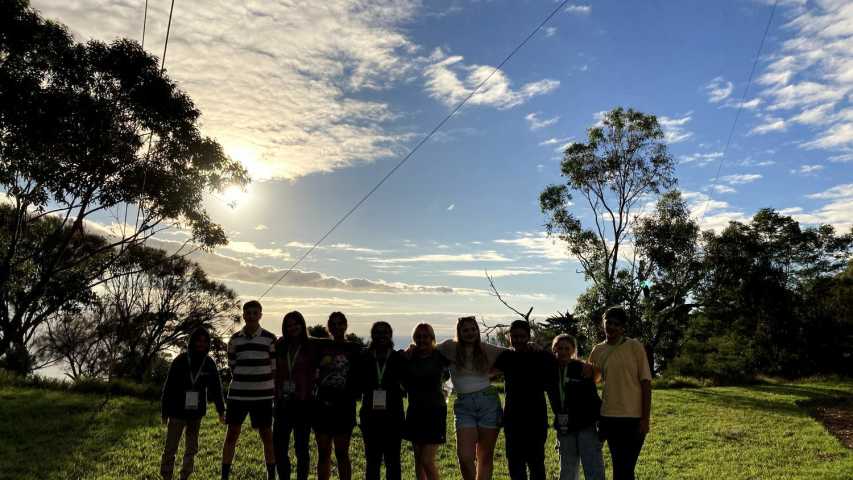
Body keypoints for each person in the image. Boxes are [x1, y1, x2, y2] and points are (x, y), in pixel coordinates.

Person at [436, 316, 508, 480]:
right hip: (464, 406)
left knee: (485, 456)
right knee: (465, 456)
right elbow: (428, 349)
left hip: (488, 403)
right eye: (466, 330)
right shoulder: (449, 347)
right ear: (459, 332)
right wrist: (411, 348)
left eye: (473, 329)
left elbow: (510, 354)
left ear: (477, 330)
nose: (470, 333)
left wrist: (492, 372)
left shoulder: (485, 348)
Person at [588, 306, 652, 480]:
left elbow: (646, 382)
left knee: (626, 467)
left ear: (623, 328)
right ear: (603, 324)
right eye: (609, 322)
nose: (612, 327)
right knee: (620, 467)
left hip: (634, 418)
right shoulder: (597, 350)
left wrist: (645, 418)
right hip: (609, 417)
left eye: (617, 324)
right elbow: (589, 381)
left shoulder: (634, 346)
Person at [221, 300, 277, 480]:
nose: (251, 316)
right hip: (238, 395)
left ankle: (271, 475)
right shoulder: (234, 339)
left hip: (263, 396)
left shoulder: (270, 338)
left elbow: (274, 368)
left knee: (267, 436)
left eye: (255, 313)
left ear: (260, 315)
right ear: (243, 315)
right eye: (248, 313)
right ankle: (224, 475)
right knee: (232, 435)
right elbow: (233, 365)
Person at [160, 327, 225, 480]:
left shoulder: (209, 363)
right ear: (192, 342)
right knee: (171, 447)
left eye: (204, 341)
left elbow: (216, 388)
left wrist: (221, 411)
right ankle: (166, 475)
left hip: (196, 413)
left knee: (191, 448)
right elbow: (169, 386)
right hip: (176, 411)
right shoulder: (180, 360)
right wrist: (164, 411)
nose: (201, 344)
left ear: (208, 344)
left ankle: (185, 475)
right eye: (198, 340)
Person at [492, 320, 553, 480]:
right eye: (514, 336)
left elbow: (560, 364)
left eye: (522, 336)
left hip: (536, 418)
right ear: (509, 337)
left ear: (528, 336)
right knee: (515, 463)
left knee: (536, 462)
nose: (518, 340)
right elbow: (487, 372)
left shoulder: (541, 355)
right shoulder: (506, 356)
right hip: (512, 418)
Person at [353, 321, 406, 480]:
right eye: (377, 332)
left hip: (394, 417)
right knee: (372, 462)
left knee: (393, 461)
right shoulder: (364, 358)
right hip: (370, 416)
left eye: (385, 332)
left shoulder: (398, 358)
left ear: (390, 335)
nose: (381, 335)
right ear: (372, 335)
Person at [313, 312, 362, 480]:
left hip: (344, 406)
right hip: (322, 405)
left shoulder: (354, 348)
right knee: (323, 452)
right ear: (328, 327)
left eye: (340, 323)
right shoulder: (320, 345)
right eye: (333, 324)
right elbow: (302, 340)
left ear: (346, 325)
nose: (337, 327)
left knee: (342, 452)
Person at [549, 334, 605, 480]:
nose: (563, 352)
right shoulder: (549, 370)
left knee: (593, 469)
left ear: (573, 350)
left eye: (567, 348)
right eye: (559, 348)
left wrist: (601, 424)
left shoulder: (582, 368)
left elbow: (594, 398)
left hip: (586, 426)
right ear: (554, 349)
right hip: (564, 427)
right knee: (567, 471)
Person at [401, 323, 450, 480]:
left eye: (425, 336)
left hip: (435, 412)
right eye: (419, 337)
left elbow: (454, 371)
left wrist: (447, 390)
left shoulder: (439, 355)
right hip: (415, 411)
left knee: (427, 460)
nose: (422, 340)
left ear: (432, 338)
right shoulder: (410, 356)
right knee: (418, 459)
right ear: (414, 339)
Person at [274, 311, 316, 480]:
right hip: (282, 403)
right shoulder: (280, 345)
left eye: (296, 324)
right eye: (289, 325)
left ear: (302, 325)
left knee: (301, 449)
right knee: (279, 448)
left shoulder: (311, 346)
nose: (292, 328)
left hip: (303, 403)